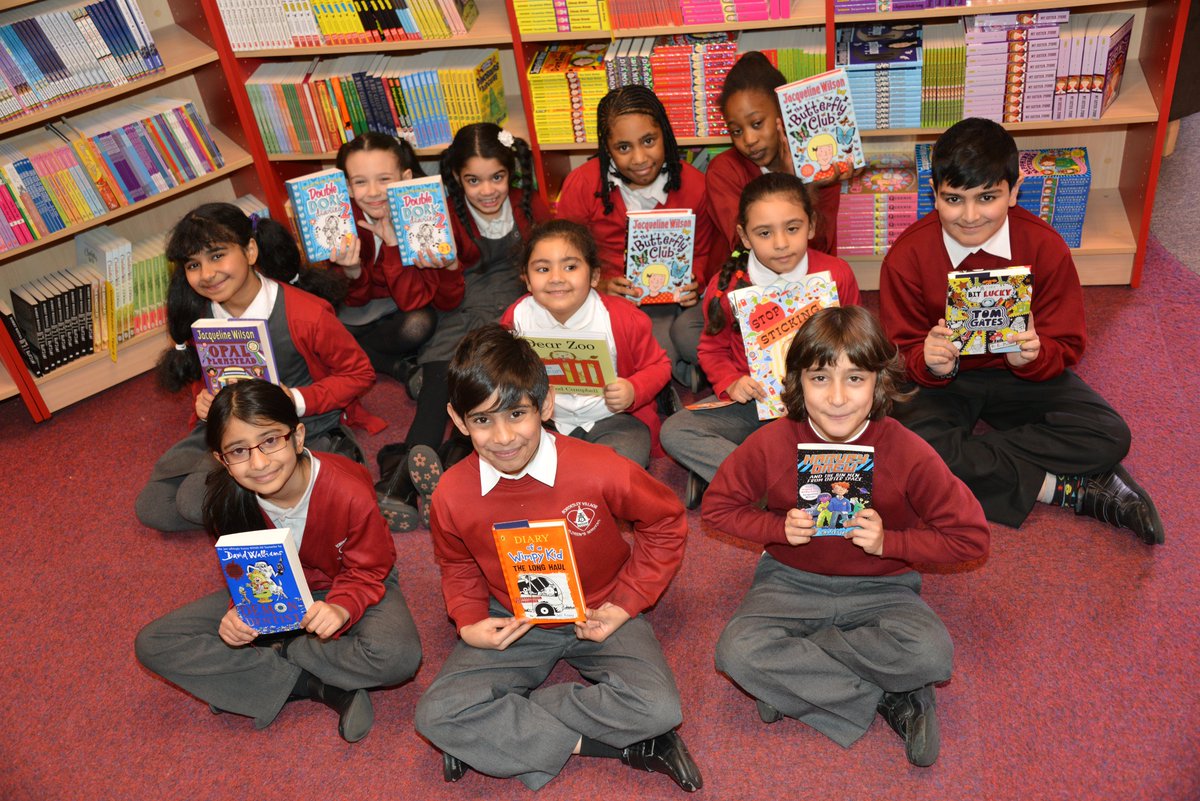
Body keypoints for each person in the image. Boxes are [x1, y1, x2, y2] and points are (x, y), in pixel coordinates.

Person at [413, 325, 702, 793]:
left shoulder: (600, 467)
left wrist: (626, 602)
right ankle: (624, 748)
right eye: (482, 420)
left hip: (601, 608)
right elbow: (457, 563)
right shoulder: (451, 492)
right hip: (514, 617)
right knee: (435, 715)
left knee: (659, 708)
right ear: (458, 421)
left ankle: (500, 726)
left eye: (516, 413)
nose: (503, 436)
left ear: (545, 405)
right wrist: (467, 621)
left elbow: (666, 522)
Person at [702, 305, 990, 767]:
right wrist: (777, 529)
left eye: (855, 378)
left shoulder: (907, 450)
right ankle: (892, 699)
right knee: (736, 653)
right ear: (797, 382)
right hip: (789, 580)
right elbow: (717, 509)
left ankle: (796, 681)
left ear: (879, 381)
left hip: (883, 585)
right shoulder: (772, 442)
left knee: (932, 654)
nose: (837, 397)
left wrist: (890, 543)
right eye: (820, 378)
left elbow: (971, 538)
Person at [878, 117, 1162, 544]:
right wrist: (929, 362)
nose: (969, 216)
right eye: (953, 199)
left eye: (987, 197)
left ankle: (966, 461)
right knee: (899, 443)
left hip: (1020, 377)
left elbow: (1068, 342)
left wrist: (1033, 356)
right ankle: (1066, 488)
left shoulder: (1044, 246)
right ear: (934, 194)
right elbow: (899, 351)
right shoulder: (908, 255)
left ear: (1014, 192)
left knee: (1109, 434)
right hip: (946, 384)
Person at [134, 380, 421, 743]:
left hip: (351, 579)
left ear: (298, 437)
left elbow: (372, 567)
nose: (259, 463)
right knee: (154, 642)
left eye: (270, 440)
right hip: (275, 593)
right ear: (222, 461)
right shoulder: (226, 499)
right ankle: (316, 684)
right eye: (239, 451)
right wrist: (240, 612)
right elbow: (246, 571)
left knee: (398, 656)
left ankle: (276, 656)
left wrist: (342, 607)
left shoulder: (347, 488)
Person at [136, 202, 377, 532]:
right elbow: (205, 376)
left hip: (297, 426)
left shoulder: (305, 313)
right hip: (231, 428)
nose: (207, 274)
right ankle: (276, 503)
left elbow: (360, 374)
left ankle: (291, 495)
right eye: (193, 264)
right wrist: (203, 400)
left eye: (217, 256)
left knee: (193, 503)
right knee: (154, 508)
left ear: (250, 251)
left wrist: (296, 399)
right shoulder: (202, 316)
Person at [374, 123, 551, 531]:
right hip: (461, 310)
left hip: (517, 309)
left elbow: (546, 262)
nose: (487, 190)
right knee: (441, 384)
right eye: (474, 180)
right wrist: (451, 268)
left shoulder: (527, 205)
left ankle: (445, 473)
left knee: (501, 392)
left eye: (497, 177)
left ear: (510, 174)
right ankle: (404, 482)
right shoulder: (444, 215)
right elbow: (446, 299)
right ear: (457, 177)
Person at [661, 172, 862, 508]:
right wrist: (731, 382)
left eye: (792, 228)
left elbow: (858, 343)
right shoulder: (727, 287)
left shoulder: (837, 274)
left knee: (872, 429)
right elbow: (712, 349)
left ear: (811, 226)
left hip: (824, 404)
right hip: (755, 403)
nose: (781, 243)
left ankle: (735, 476)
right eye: (765, 233)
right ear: (744, 236)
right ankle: (767, 484)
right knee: (676, 431)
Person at [555, 84, 718, 390]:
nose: (640, 158)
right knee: (632, 345)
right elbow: (563, 254)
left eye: (648, 141)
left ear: (664, 135)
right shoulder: (583, 184)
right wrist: (600, 284)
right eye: (624, 147)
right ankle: (668, 380)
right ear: (607, 148)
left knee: (676, 343)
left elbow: (702, 251)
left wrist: (693, 281)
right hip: (606, 298)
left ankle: (675, 376)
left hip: (670, 301)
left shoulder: (694, 185)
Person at [500, 219, 670, 467]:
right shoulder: (517, 317)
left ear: (594, 276)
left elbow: (659, 366)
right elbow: (501, 368)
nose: (556, 278)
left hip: (613, 418)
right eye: (543, 269)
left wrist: (633, 389)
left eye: (570, 267)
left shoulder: (622, 318)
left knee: (624, 459)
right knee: (522, 459)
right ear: (527, 280)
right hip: (546, 421)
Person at [328, 131, 464, 383]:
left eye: (384, 179)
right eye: (360, 182)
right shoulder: (340, 220)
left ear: (405, 178)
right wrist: (352, 271)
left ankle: (353, 356)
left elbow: (418, 302)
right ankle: (396, 367)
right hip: (357, 311)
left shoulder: (424, 214)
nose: (373, 192)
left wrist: (392, 245)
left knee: (419, 324)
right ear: (347, 188)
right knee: (323, 328)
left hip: (399, 310)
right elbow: (354, 300)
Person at [706, 52, 846, 276]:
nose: (749, 140)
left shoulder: (818, 166)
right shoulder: (724, 171)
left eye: (757, 123)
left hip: (808, 282)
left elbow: (819, 245)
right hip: (744, 282)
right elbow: (745, 246)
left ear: (783, 113)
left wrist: (803, 184)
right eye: (736, 131)